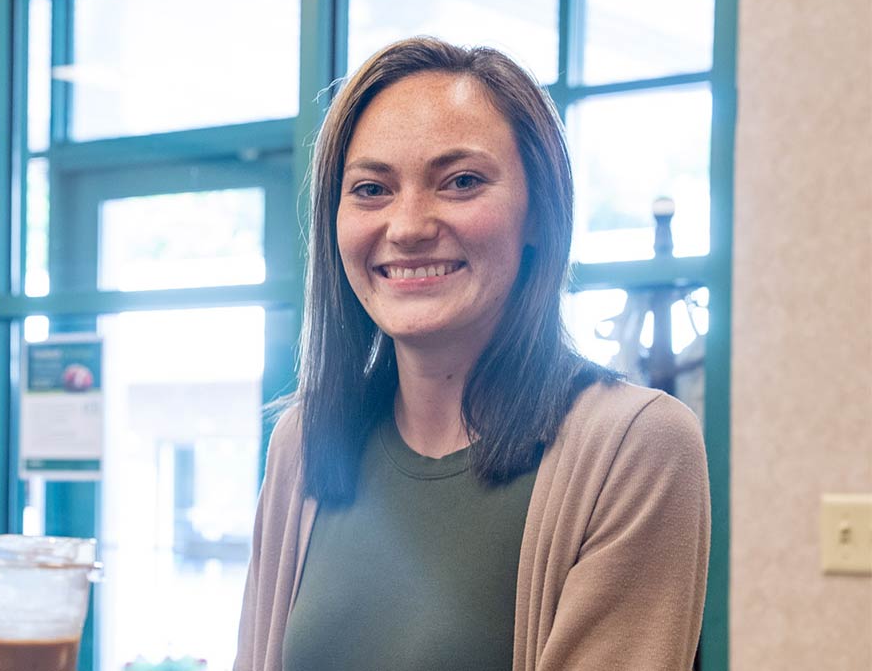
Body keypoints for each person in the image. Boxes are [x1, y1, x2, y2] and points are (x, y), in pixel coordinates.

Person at [235, 37, 710, 671]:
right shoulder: (305, 441)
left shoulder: (636, 445)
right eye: (372, 189)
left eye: (460, 182)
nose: (406, 227)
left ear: (539, 212)